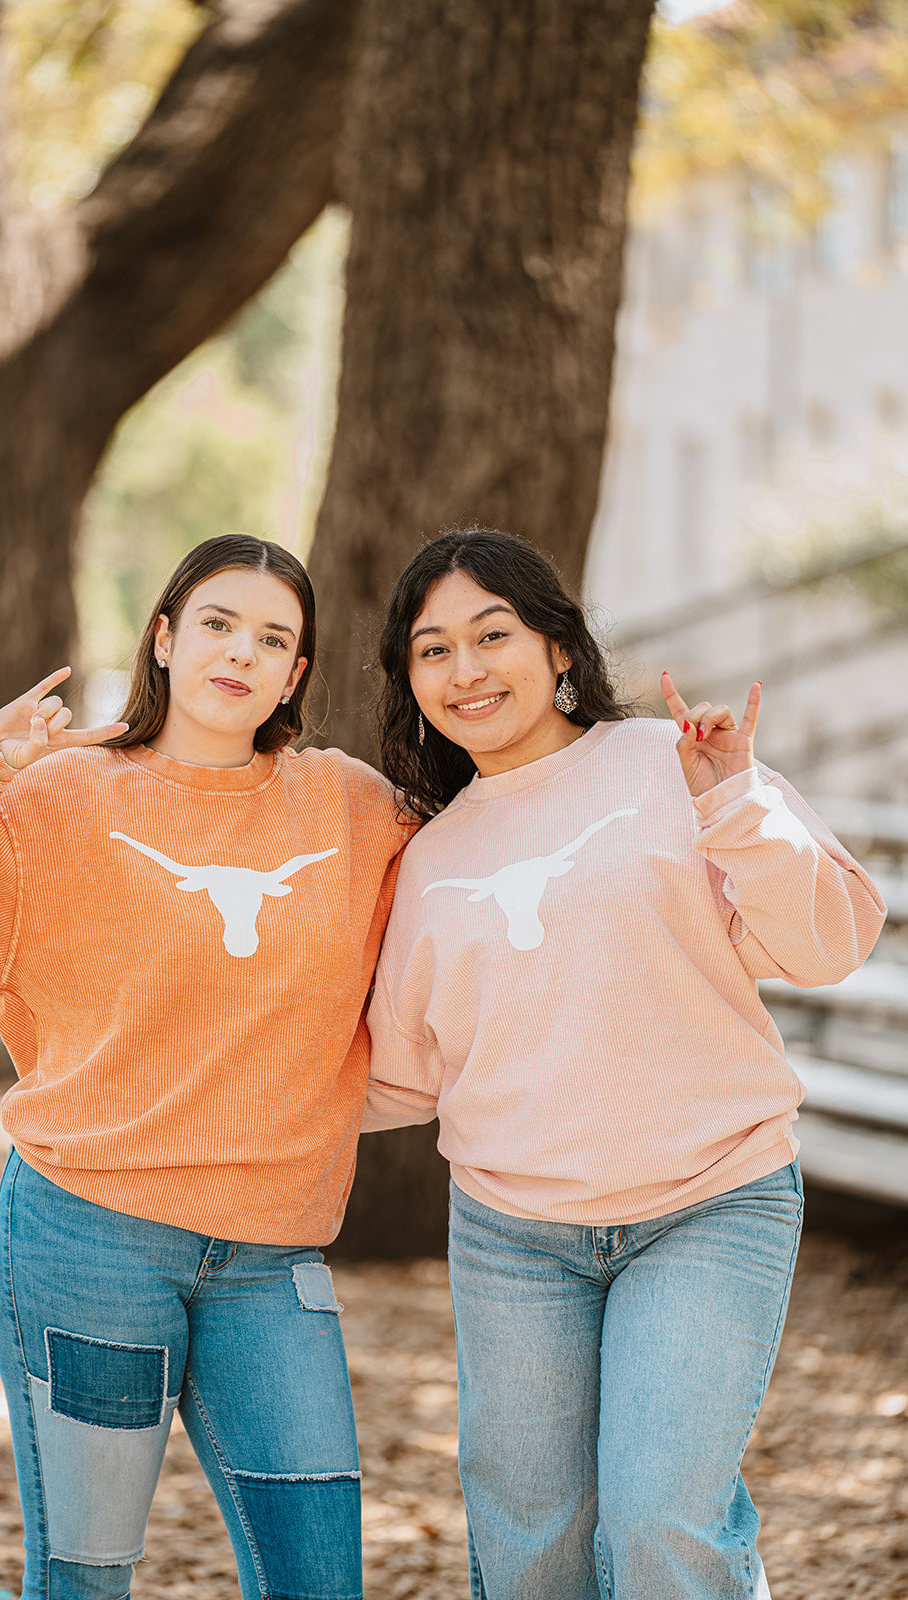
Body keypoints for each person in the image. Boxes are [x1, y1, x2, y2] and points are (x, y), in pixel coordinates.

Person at [0, 534, 412, 1600]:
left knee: (321, 1580)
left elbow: (478, 874)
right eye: (216, 623)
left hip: (271, 1254)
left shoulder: (347, 806)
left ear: (296, 674)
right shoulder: (59, 795)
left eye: (273, 638)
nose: (240, 652)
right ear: (163, 637)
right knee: (86, 1578)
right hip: (86, 1235)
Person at [363, 527, 885, 1600]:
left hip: (708, 1201)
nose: (464, 670)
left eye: (490, 634)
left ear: (558, 647)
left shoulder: (671, 762)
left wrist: (732, 800)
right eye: (431, 650)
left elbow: (827, 941)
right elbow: (397, 1072)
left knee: (657, 1525)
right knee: (531, 1550)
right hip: (513, 1235)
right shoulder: (427, 856)